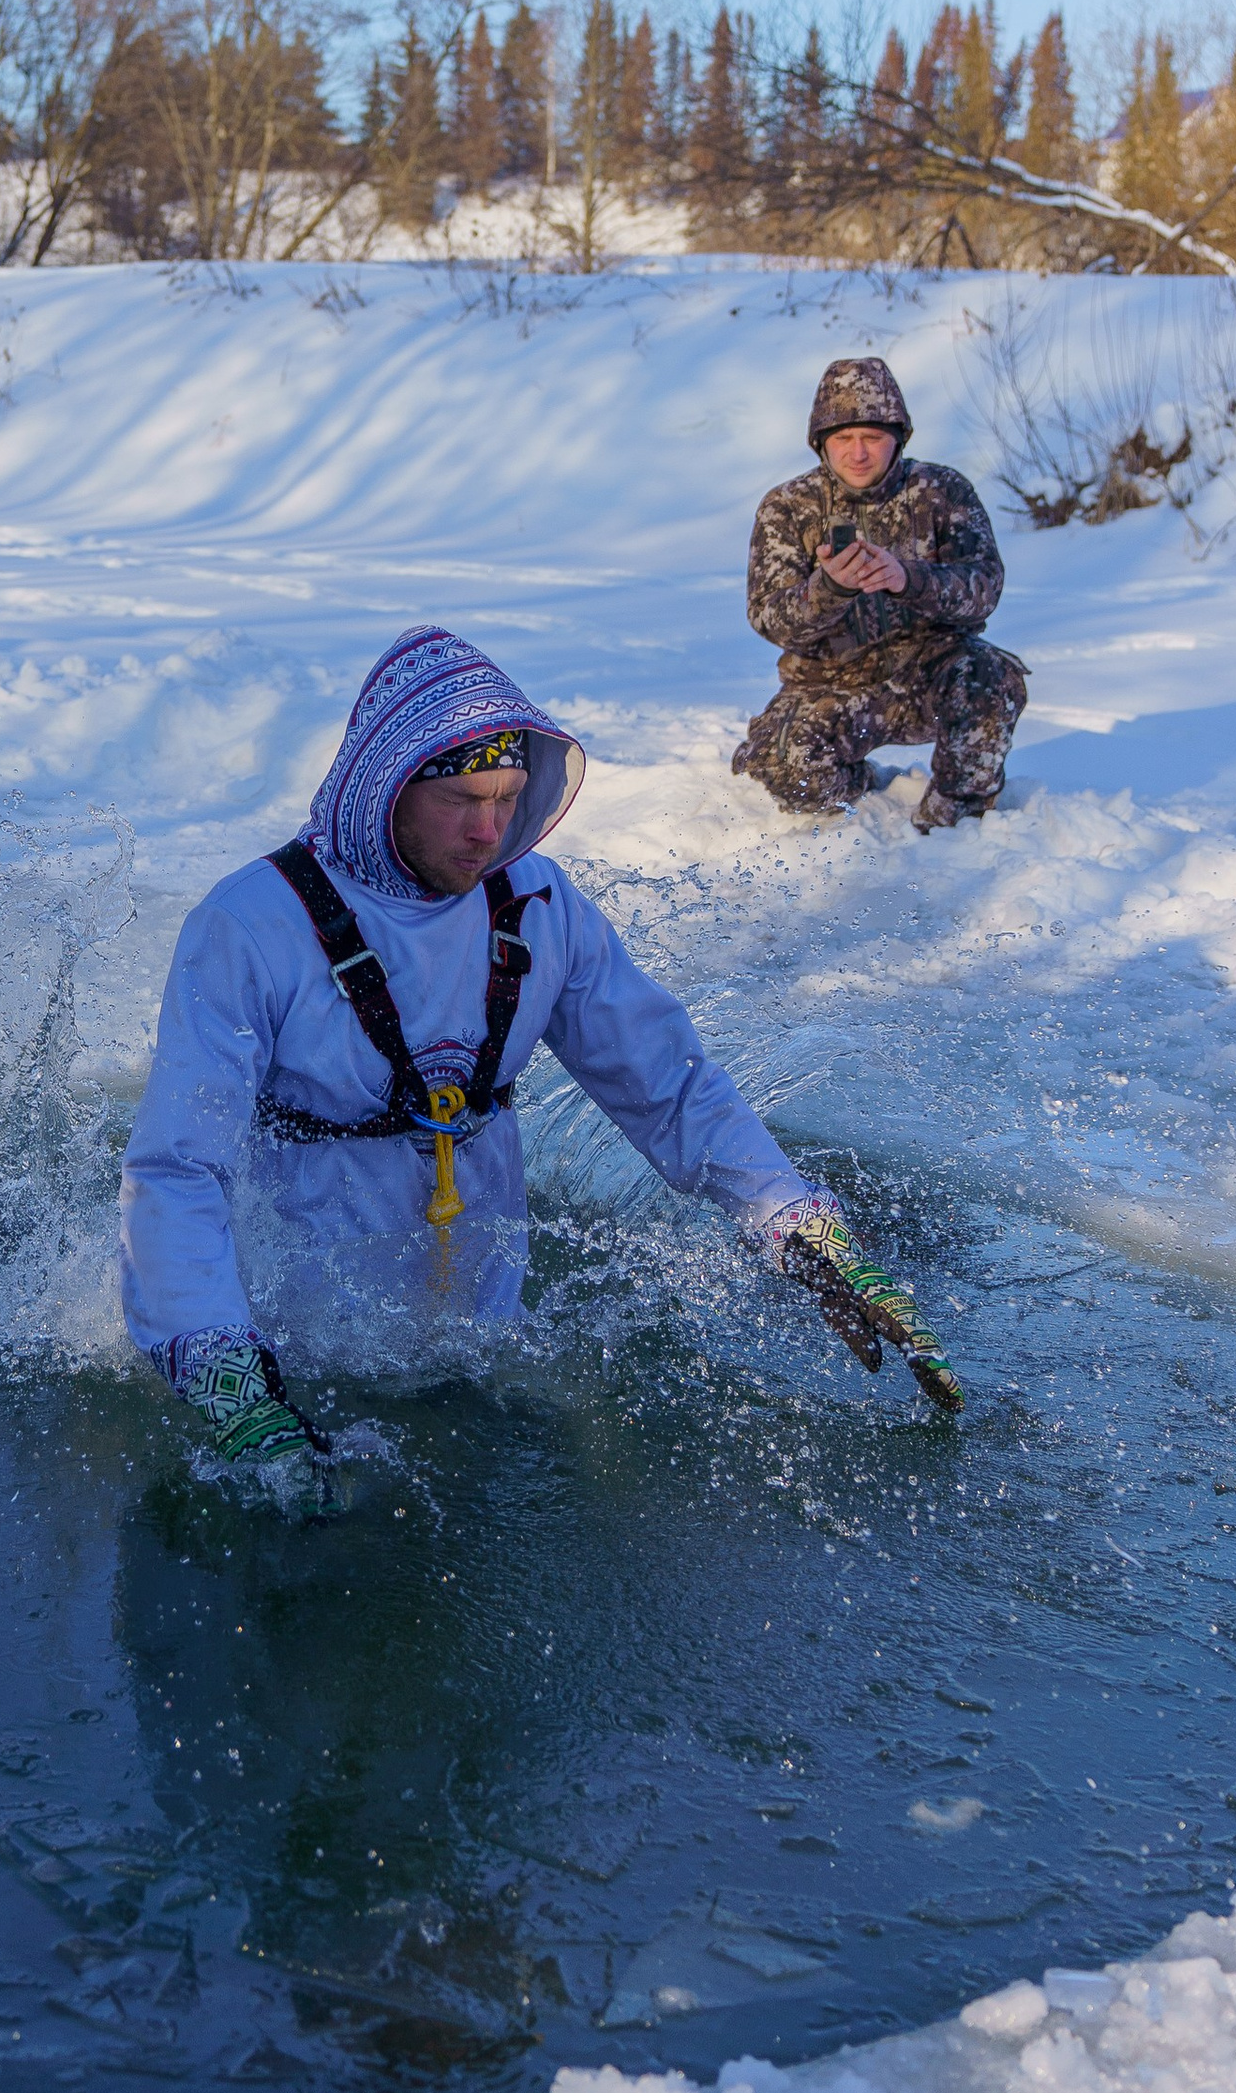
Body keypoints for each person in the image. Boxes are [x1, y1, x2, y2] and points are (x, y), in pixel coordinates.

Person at [119, 625, 959, 1498]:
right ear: (386, 785)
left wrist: (797, 1225)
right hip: (294, 1364)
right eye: (463, 798)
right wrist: (228, 1382)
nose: (491, 830)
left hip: (482, 1345)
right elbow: (178, 1167)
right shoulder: (252, 923)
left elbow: (668, 1088)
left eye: (510, 795)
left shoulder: (537, 907)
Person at [733, 356, 1026, 831]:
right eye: (843, 439)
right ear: (821, 443)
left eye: (872, 437)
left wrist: (908, 579)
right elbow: (769, 617)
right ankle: (861, 779)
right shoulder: (787, 507)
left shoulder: (941, 490)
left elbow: (984, 588)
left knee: (990, 677)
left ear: (899, 436)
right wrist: (828, 589)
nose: (858, 453)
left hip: (927, 673)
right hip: (828, 682)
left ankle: (959, 812)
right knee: (780, 770)